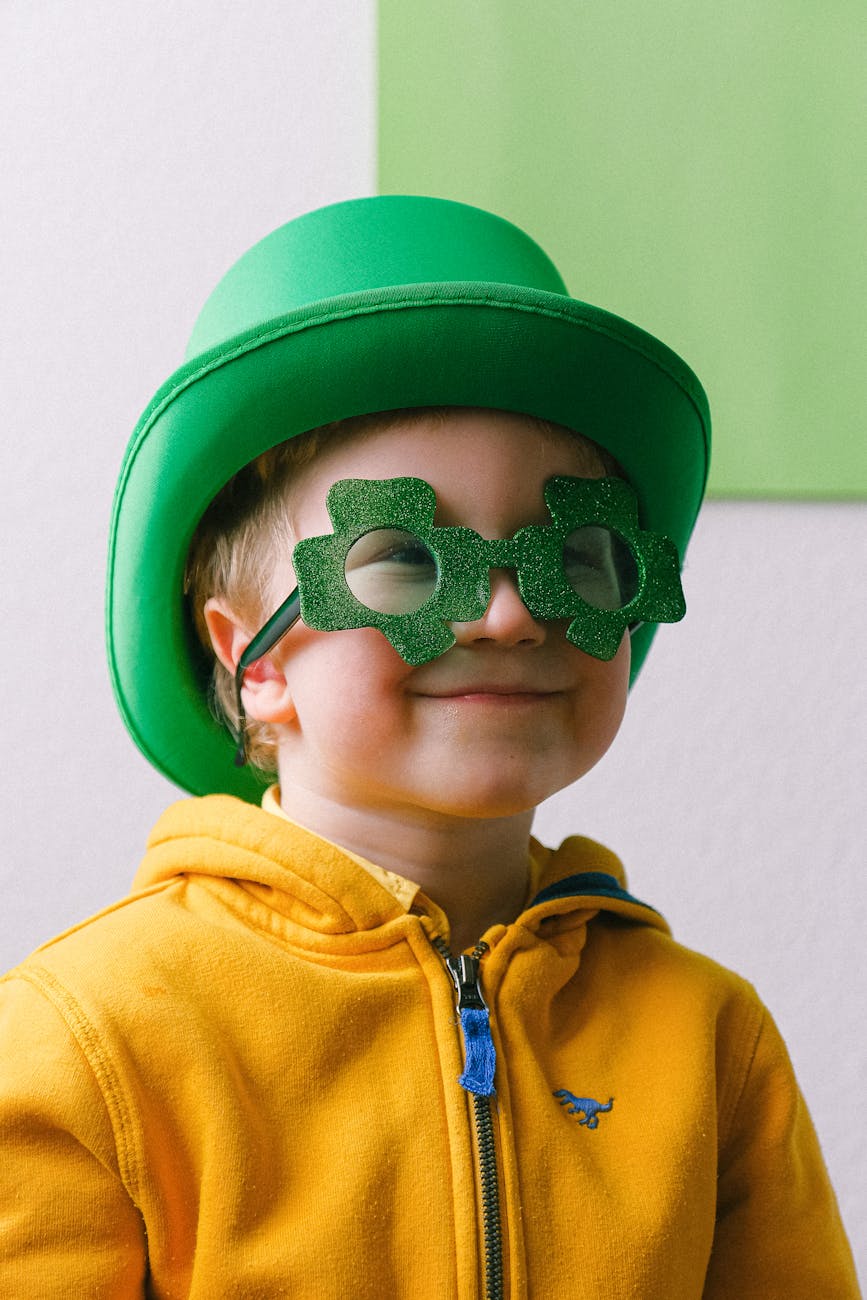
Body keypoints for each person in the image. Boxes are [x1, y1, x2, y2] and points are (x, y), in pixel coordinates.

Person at [0, 196, 858, 1298]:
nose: (507, 616)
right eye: (405, 560)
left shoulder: (709, 1044)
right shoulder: (88, 1044)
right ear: (252, 658)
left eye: (576, 554)